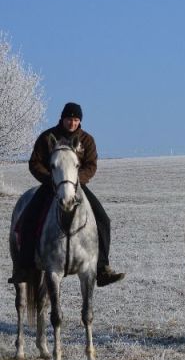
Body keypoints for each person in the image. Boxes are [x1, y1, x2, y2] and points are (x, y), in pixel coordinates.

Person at [9, 102, 125, 287]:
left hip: (76, 186)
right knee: (28, 217)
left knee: (103, 220)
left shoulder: (87, 140)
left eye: (76, 120)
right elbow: (35, 162)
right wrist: (51, 179)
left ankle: (102, 268)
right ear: (62, 118)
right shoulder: (47, 137)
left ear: (80, 121)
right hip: (50, 185)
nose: (72, 123)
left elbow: (91, 165)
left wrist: (75, 180)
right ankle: (25, 267)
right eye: (69, 119)